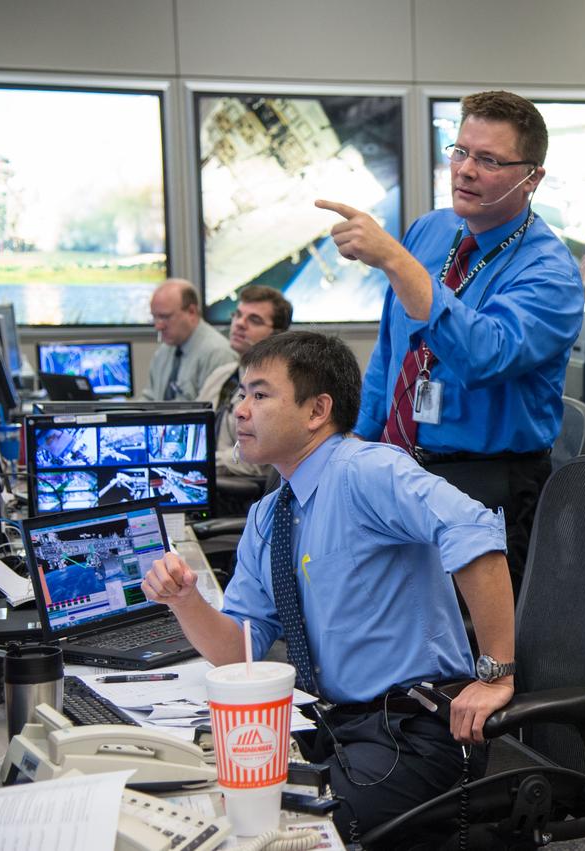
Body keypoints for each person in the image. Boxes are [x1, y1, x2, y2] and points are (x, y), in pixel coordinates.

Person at [141, 331, 515, 840]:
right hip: (331, 725)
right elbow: (240, 653)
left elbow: (477, 536)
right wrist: (184, 601)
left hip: (410, 731)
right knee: (217, 804)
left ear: (317, 410)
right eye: (240, 396)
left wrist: (495, 674)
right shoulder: (269, 515)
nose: (240, 412)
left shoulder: (369, 470)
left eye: (260, 394)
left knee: (280, 835)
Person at [315, 90, 584, 592]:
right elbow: (393, 352)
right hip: (399, 467)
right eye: (460, 152)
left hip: (484, 485)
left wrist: (396, 262)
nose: (465, 170)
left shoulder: (551, 274)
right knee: (398, 633)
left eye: (488, 159)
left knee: (474, 651)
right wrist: (357, 440)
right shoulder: (430, 231)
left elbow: (484, 355)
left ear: (532, 178)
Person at [196, 285, 293, 478]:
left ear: (277, 334)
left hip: (237, 493)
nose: (240, 323)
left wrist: (205, 461)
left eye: (254, 320)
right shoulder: (220, 376)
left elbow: (260, 459)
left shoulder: (276, 387)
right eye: (237, 315)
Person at [141, 278, 236, 402]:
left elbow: (216, 415)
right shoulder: (164, 352)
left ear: (191, 312)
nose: (158, 326)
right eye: (155, 317)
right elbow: (150, 399)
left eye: (165, 317)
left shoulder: (218, 354)